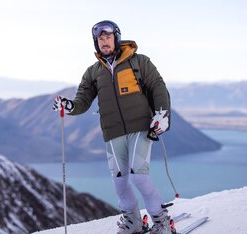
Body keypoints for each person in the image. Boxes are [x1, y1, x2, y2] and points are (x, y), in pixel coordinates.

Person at [53, 20, 172, 234]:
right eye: (100, 38)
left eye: (108, 37)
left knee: (139, 176)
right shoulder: (93, 72)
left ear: (116, 38)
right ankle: (133, 221)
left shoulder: (139, 62)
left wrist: (162, 114)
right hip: (112, 131)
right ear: (96, 42)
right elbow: (82, 101)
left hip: (140, 127)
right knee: (120, 182)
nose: (104, 41)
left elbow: (157, 86)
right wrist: (69, 106)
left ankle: (161, 221)